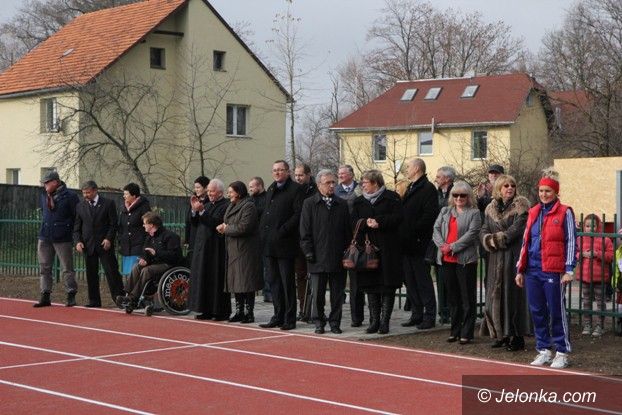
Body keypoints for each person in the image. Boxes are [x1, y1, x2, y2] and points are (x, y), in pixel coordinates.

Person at [516, 168, 577, 369]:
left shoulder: (565, 212)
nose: (544, 194)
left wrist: (569, 269)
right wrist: (520, 268)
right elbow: (526, 241)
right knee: (537, 310)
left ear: (556, 192)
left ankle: (562, 351)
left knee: (556, 311)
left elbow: (571, 241)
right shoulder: (533, 211)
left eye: (548, 191)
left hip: (553, 270)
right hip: (532, 269)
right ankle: (543, 349)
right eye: (541, 191)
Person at [479, 175, 531, 351]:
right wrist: (488, 240)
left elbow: (516, 230)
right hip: (495, 258)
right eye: (506, 185)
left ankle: (516, 336)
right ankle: (500, 334)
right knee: (495, 296)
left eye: (512, 185)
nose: (510, 188)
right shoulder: (490, 208)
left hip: (512, 256)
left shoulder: (521, 207)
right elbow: (484, 229)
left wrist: (497, 239)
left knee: (512, 296)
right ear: (499, 189)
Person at [299, 170, 351, 334]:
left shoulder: (341, 204)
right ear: (319, 185)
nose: (332, 185)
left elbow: (347, 231)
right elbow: (304, 231)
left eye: (333, 182)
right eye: (328, 183)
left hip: (337, 256)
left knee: (337, 294)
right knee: (318, 294)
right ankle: (319, 322)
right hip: (316, 256)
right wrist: (308, 252)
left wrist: (346, 252)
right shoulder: (309, 204)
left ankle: (335, 323)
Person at [351, 170, 403, 334]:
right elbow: (352, 222)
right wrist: (365, 223)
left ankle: (385, 321)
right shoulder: (359, 201)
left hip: (388, 249)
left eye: (365, 183)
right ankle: (374, 321)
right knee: (370, 285)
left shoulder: (392, 197)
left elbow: (399, 218)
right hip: (367, 250)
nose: (363, 186)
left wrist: (379, 222)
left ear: (375, 183)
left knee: (387, 286)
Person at [432, 181, 481, 345]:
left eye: (462, 195)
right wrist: (443, 246)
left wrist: (452, 247)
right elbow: (436, 230)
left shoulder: (474, 213)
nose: (459, 198)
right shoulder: (445, 211)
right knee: (453, 298)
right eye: (455, 195)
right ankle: (455, 330)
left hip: (465, 260)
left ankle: (467, 332)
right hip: (447, 260)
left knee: (467, 298)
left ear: (468, 197)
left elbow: (472, 234)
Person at [259, 160, 303, 331]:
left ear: (287, 171)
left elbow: (298, 214)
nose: (277, 173)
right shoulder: (271, 188)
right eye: (274, 170)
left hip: (285, 243)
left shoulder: (296, 189)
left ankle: (289, 318)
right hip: (269, 244)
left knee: (287, 283)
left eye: (280, 170)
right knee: (274, 282)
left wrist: (283, 230)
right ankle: (278, 315)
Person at [400, 159, 439, 330]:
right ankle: (416, 313)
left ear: (416, 168)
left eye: (408, 167)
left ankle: (429, 316)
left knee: (423, 281)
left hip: (419, 242)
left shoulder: (427, 188)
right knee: (410, 280)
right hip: (407, 243)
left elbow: (429, 216)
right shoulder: (411, 187)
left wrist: (413, 231)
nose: (406, 170)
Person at [216, 181, 264, 323]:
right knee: (236, 282)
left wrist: (226, 229)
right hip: (233, 249)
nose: (228, 194)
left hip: (245, 250)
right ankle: (239, 311)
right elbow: (229, 223)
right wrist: (224, 228)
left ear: (238, 192)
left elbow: (244, 227)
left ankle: (249, 312)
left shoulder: (248, 206)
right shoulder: (231, 206)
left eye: (231, 192)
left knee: (246, 282)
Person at [73, 180, 124, 307]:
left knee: (112, 272)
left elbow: (113, 224)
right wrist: (78, 241)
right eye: (84, 193)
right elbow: (77, 227)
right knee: (91, 274)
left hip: (104, 245)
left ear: (95, 191)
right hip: (88, 245)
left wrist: (108, 239)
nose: (85, 195)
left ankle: (120, 299)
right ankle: (94, 301)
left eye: (88, 192)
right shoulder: (80, 206)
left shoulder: (108, 204)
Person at [34, 171, 80, 307]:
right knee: (44, 267)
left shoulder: (70, 196)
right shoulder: (44, 195)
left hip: (62, 236)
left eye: (47, 183)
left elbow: (76, 217)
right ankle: (45, 294)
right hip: (45, 235)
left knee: (67, 268)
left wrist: (74, 235)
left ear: (55, 182)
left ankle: (71, 294)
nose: (45, 186)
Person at [118, 212, 183, 307]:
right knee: (137, 266)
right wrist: (144, 259)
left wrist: (156, 253)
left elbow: (175, 255)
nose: (143, 225)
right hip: (154, 263)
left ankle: (133, 297)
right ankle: (127, 294)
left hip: (168, 264)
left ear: (151, 225)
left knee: (147, 270)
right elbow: (145, 252)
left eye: (145, 223)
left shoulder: (170, 236)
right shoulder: (149, 237)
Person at [187, 179, 231, 320]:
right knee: (203, 279)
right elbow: (195, 223)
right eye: (209, 191)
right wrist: (194, 211)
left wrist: (202, 211)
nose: (209, 194)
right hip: (202, 249)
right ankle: (204, 309)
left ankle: (219, 311)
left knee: (215, 279)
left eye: (212, 191)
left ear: (220, 193)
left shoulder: (225, 206)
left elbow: (215, 223)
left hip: (216, 249)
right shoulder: (206, 204)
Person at [334, 164, 365, 328]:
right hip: (339, 238)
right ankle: (336, 315)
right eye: (338, 173)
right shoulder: (335, 190)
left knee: (356, 283)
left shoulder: (360, 189)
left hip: (356, 239)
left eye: (343, 173)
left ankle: (356, 317)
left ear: (351, 174)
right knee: (338, 281)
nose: (340, 175)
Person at [577, 214, 613, 338]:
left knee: (600, 302)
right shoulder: (580, 239)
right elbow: (575, 252)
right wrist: (581, 254)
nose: (590, 228)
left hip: (600, 276)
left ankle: (600, 325)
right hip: (584, 275)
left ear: (598, 226)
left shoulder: (605, 239)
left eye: (593, 226)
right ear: (584, 226)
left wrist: (597, 254)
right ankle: (587, 324)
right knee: (586, 301)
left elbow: (610, 256)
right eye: (587, 226)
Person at [293, 163, 317, 321]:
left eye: (301, 175)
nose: (298, 178)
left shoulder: (315, 190)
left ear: (308, 174)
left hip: (312, 239)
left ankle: (315, 310)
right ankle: (303, 309)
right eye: (296, 175)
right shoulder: (295, 190)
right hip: (297, 240)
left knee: (314, 277)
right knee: (300, 276)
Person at [433, 166, 456, 323]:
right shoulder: (436, 193)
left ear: (447, 179)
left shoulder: (456, 193)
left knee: (451, 278)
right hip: (438, 239)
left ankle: (452, 309)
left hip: (452, 240)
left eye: (439, 176)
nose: (436, 179)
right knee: (440, 276)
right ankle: (443, 311)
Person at [118, 183, 151, 278]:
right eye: (124, 194)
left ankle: (135, 288)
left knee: (135, 273)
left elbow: (148, 226)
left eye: (126, 194)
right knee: (127, 274)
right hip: (126, 246)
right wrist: (120, 239)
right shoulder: (124, 208)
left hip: (138, 246)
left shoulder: (143, 207)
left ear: (134, 195)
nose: (124, 196)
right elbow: (121, 226)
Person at [249, 176, 271, 303]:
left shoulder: (268, 198)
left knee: (267, 267)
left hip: (265, 237)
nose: (250, 189)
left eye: (252, 187)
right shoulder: (250, 199)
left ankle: (268, 293)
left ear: (259, 186)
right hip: (253, 238)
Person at [185, 176, 210, 266]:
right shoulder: (194, 200)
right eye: (195, 187)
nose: (196, 190)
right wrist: (187, 240)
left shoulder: (210, 201)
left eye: (198, 187)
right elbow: (188, 220)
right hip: (193, 235)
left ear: (206, 188)